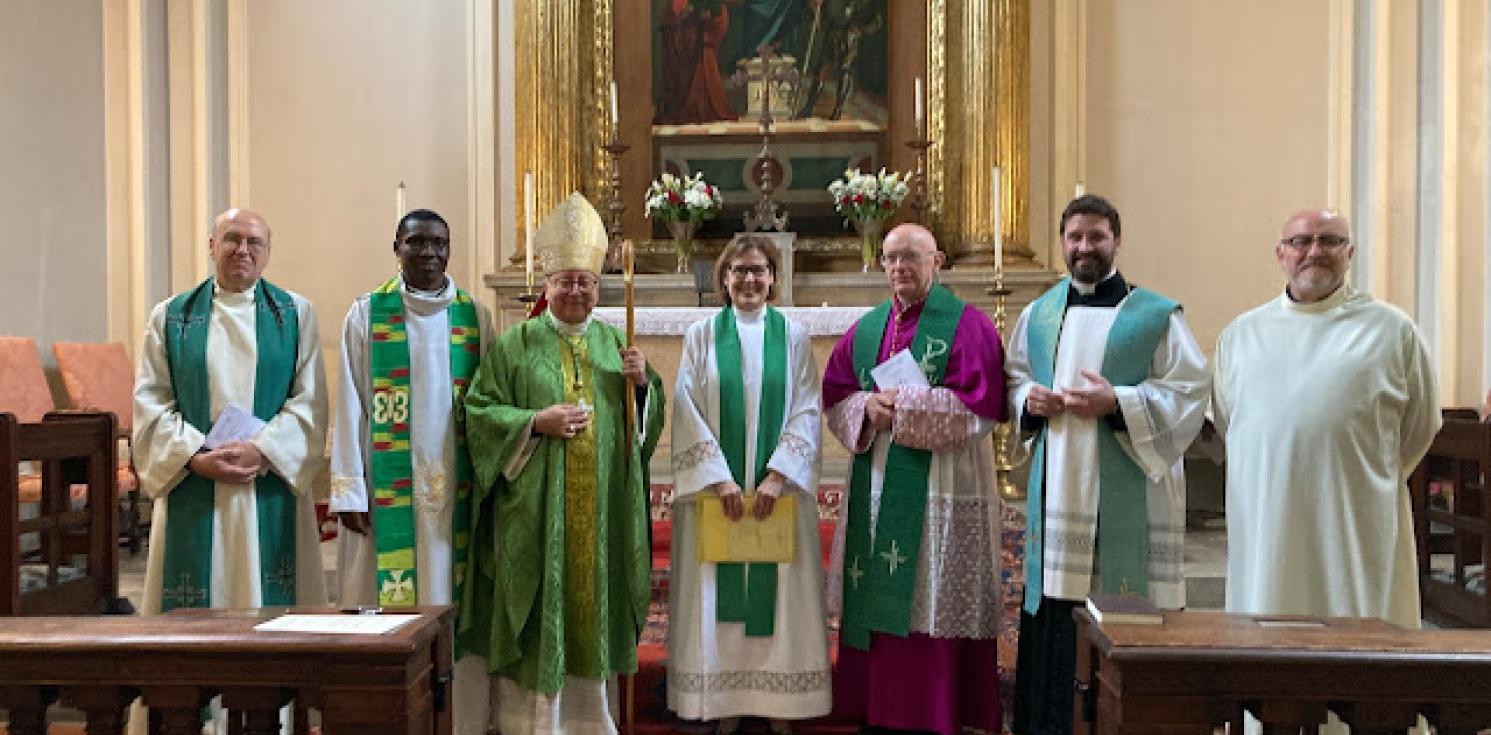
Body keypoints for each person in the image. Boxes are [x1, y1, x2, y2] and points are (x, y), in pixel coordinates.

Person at [1214, 209, 1440, 734]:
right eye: (1300, 241)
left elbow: (1420, 426)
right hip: (1269, 521)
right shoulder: (1241, 334)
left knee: (1360, 647)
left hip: (1355, 520)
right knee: (1267, 635)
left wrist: (1357, 473)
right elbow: (1231, 422)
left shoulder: (1392, 330)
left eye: (1330, 241)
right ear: (1281, 254)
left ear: (1350, 253)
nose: (1314, 251)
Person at [459, 193, 665, 735]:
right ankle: (533, 724)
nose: (576, 290)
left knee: (592, 606)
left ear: (599, 289)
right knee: (540, 607)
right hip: (536, 511)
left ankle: (590, 722)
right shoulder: (515, 345)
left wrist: (642, 385)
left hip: (601, 513)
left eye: (586, 282)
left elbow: (641, 431)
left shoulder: (617, 341)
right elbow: (479, 412)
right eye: (566, 280)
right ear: (546, 286)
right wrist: (534, 422)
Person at [1005, 194, 1210, 735]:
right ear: (1063, 243)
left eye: (1096, 237)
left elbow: (1190, 393)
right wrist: (1029, 401)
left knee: (1122, 614)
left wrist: (1117, 403)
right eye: (1074, 237)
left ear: (1117, 240)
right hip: (1060, 492)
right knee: (1056, 613)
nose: (1085, 247)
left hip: (1130, 498)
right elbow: (1015, 376)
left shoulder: (1155, 314)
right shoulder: (1040, 313)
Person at [130, 208, 327, 734]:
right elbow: (150, 403)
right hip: (196, 482)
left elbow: (310, 402)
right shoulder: (170, 316)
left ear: (268, 251)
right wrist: (194, 456)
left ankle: (273, 721)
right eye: (233, 240)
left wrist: (263, 451)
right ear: (211, 244)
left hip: (270, 489)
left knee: (272, 608)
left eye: (255, 242)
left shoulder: (295, 313)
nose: (243, 250)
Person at [821, 223, 1006, 735]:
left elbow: (983, 407)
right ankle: (878, 706)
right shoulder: (866, 329)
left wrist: (900, 411)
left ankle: (938, 710)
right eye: (890, 258)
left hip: (943, 485)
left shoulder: (968, 326)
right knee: (881, 591)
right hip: (879, 487)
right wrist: (865, 405)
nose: (899, 267)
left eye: (910, 257)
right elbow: (835, 395)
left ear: (937, 262)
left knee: (933, 593)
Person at [329, 208, 496, 734]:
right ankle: (386, 716)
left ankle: (461, 719)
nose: (429, 253)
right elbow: (350, 402)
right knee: (384, 603)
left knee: (455, 598)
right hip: (388, 489)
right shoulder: (367, 314)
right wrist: (350, 488)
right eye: (417, 242)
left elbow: (490, 406)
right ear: (396, 247)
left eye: (439, 244)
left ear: (451, 249)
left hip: (457, 492)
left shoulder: (475, 315)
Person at [668, 236, 831, 733]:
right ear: (724, 278)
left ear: (774, 278)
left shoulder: (795, 337)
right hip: (719, 497)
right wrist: (719, 481)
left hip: (774, 496)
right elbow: (686, 406)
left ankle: (779, 703)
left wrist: (778, 475)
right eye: (738, 270)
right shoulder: (700, 335)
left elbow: (807, 405)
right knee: (718, 593)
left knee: (779, 591)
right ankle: (724, 699)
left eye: (759, 270)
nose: (749, 280)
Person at [657, 0, 736, 124]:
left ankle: (703, 107)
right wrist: (691, 13)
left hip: (703, 36)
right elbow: (675, 16)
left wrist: (709, 13)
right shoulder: (677, 6)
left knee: (707, 64)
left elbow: (719, 15)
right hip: (686, 36)